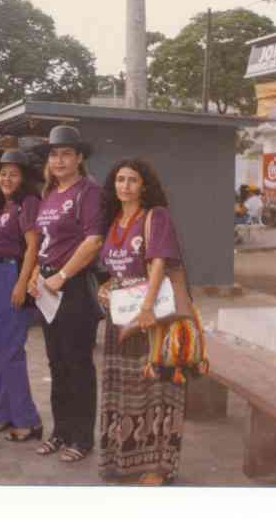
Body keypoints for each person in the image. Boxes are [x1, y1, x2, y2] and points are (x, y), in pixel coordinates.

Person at [96, 158, 190, 486]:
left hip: (152, 318)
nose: (125, 186)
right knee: (123, 391)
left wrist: (147, 308)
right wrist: (106, 288)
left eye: (132, 180)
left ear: (144, 186)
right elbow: (113, 270)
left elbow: (159, 262)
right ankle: (124, 459)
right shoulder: (114, 221)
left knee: (158, 390)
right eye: (120, 179)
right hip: (120, 320)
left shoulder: (155, 217)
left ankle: (158, 467)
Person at [27, 125, 104, 463]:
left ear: (79, 158)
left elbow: (93, 241)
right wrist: (34, 275)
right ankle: (60, 432)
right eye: (54, 155)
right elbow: (45, 244)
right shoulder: (50, 194)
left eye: (65, 154)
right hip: (47, 288)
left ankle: (82, 438)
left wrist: (61, 275)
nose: (58, 160)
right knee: (56, 363)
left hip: (73, 288)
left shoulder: (88, 192)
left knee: (78, 365)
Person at [0, 150, 43, 441]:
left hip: (12, 274)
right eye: (2, 173)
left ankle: (28, 420)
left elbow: (33, 246)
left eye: (13, 173)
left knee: (10, 353)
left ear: (24, 178)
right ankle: (3, 413)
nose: (6, 178)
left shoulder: (28, 203)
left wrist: (20, 284)